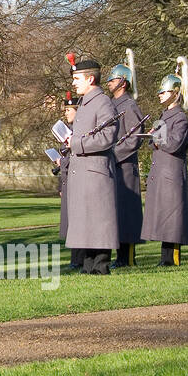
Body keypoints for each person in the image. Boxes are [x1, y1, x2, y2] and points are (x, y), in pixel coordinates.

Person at [64, 59, 120, 275]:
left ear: (90, 79)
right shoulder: (86, 101)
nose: (74, 83)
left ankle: (100, 265)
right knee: (86, 221)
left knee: (99, 221)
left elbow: (108, 136)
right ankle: (88, 265)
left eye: (77, 79)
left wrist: (76, 143)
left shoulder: (102, 102)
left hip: (95, 172)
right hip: (84, 170)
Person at [142, 74, 188, 266]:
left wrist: (157, 139)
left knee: (173, 217)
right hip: (161, 171)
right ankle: (165, 257)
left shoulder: (180, 118)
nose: (160, 95)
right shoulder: (162, 116)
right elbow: (151, 142)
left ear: (176, 93)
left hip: (171, 172)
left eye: (164, 91)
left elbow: (174, 144)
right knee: (163, 215)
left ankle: (172, 258)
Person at [106, 63, 145, 267]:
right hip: (114, 167)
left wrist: (115, 154)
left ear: (123, 82)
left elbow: (135, 138)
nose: (109, 83)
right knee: (116, 213)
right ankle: (119, 255)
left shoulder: (129, 106)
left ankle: (127, 257)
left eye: (113, 80)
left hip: (125, 166)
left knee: (126, 213)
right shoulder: (113, 105)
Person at [56, 94, 84, 271]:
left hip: (78, 179)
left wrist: (62, 162)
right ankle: (75, 259)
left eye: (68, 110)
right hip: (68, 179)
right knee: (71, 222)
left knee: (78, 221)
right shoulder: (69, 129)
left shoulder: (79, 130)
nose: (66, 113)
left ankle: (79, 259)